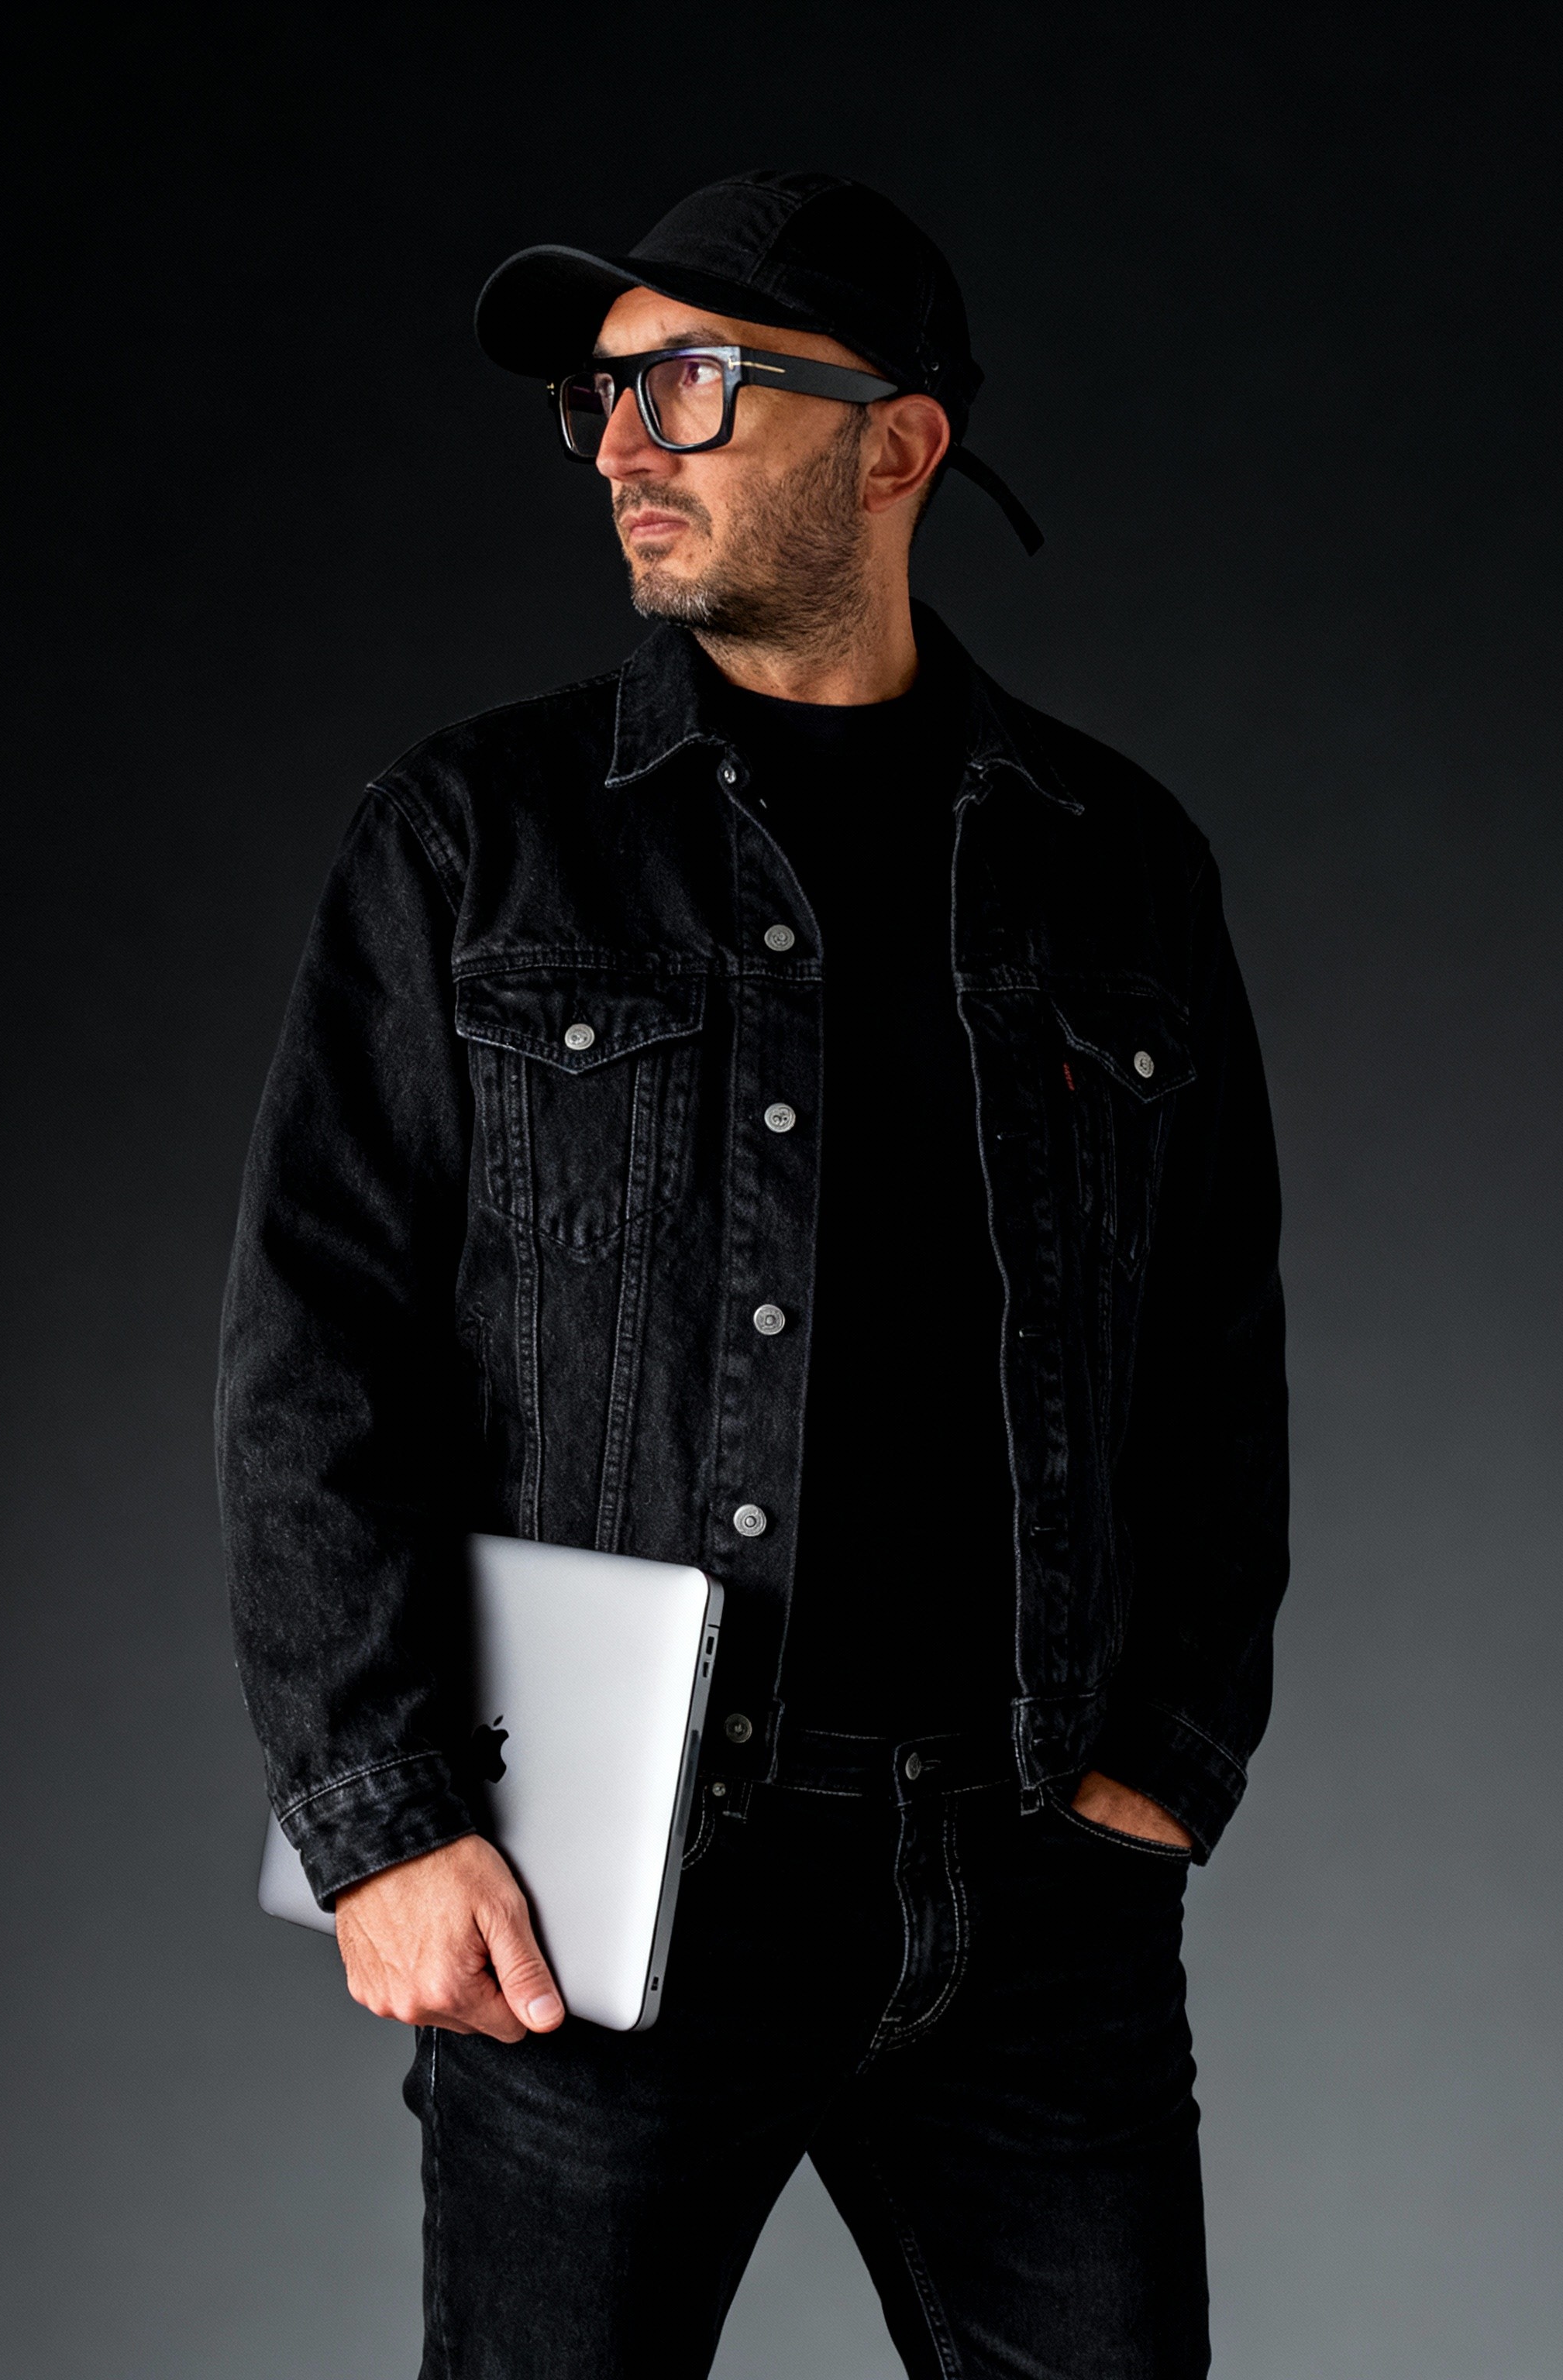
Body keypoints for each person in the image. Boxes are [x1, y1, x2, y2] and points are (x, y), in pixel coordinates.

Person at [217, 169, 1287, 2378]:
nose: (622, 444)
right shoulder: (473, 842)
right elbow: (314, 1351)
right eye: (602, 396)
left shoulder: (1117, 863)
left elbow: (1215, 1353)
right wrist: (383, 1816)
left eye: (689, 384)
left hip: (1034, 1895)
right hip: (621, 1894)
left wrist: (1160, 1768)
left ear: (894, 448)